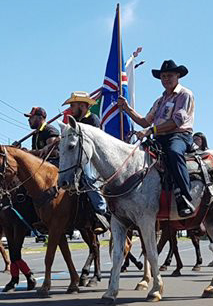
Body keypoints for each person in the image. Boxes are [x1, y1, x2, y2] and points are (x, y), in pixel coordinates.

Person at [119, 59, 197, 217]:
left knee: (174, 153)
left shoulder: (184, 94)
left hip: (179, 135)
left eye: (169, 75)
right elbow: (144, 121)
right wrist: (127, 108)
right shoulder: (160, 101)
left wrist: (151, 130)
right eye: (163, 76)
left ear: (177, 76)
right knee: (136, 156)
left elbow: (177, 121)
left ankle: (185, 197)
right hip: (159, 137)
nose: (166, 79)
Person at [62, 91, 109, 233]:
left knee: (88, 178)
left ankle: (102, 212)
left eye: (73, 105)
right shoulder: (73, 123)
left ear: (82, 106)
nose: (70, 109)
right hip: (77, 159)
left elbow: (94, 143)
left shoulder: (93, 119)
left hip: (92, 159)